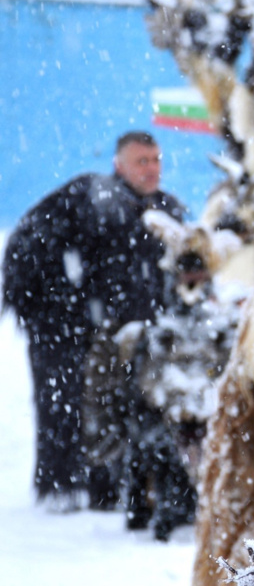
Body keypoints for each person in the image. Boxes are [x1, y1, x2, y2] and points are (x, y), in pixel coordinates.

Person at [1, 131, 185, 510]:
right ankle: (64, 490)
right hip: (69, 331)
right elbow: (27, 248)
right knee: (65, 403)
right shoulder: (89, 197)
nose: (152, 169)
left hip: (132, 334)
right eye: (141, 161)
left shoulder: (167, 210)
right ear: (118, 164)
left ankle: (124, 492)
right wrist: (63, 312)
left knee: (128, 409)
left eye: (156, 160)